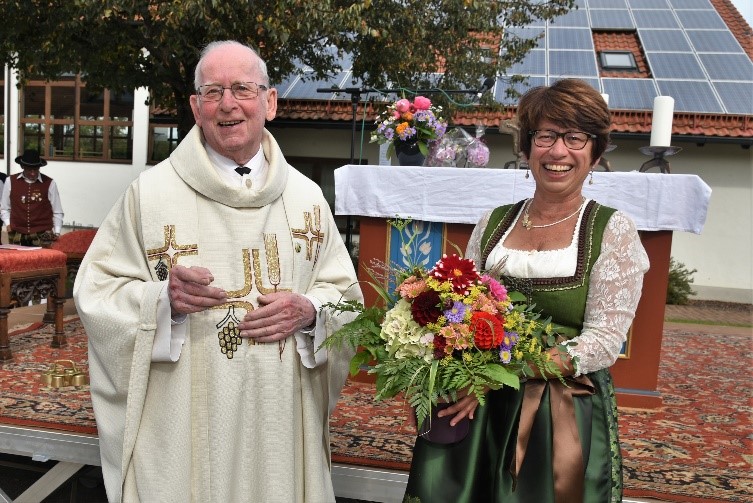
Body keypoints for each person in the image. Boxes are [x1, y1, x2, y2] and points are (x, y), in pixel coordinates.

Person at [74, 40, 362, 503]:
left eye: (243, 89)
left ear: (269, 101)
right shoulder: (150, 195)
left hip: (279, 420)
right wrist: (161, 302)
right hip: (185, 423)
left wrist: (310, 311)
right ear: (196, 107)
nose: (228, 104)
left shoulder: (307, 197)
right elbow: (96, 291)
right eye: (213, 92)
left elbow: (346, 296)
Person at [404, 78, 650, 502]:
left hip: (556, 412)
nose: (558, 151)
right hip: (477, 402)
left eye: (575, 137)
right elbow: (458, 305)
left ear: (595, 151)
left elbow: (603, 342)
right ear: (526, 146)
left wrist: (502, 374)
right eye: (546, 135)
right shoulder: (493, 221)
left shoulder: (613, 229)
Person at [0, 149, 63, 247]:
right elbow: (4, 207)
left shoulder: (50, 183)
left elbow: (57, 210)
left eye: (36, 169)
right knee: (18, 261)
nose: (33, 173)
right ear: (22, 167)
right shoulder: (10, 181)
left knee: (42, 261)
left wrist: (57, 231)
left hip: (43, 233)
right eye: (29, 170)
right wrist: (8, 223)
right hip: (16, 232)